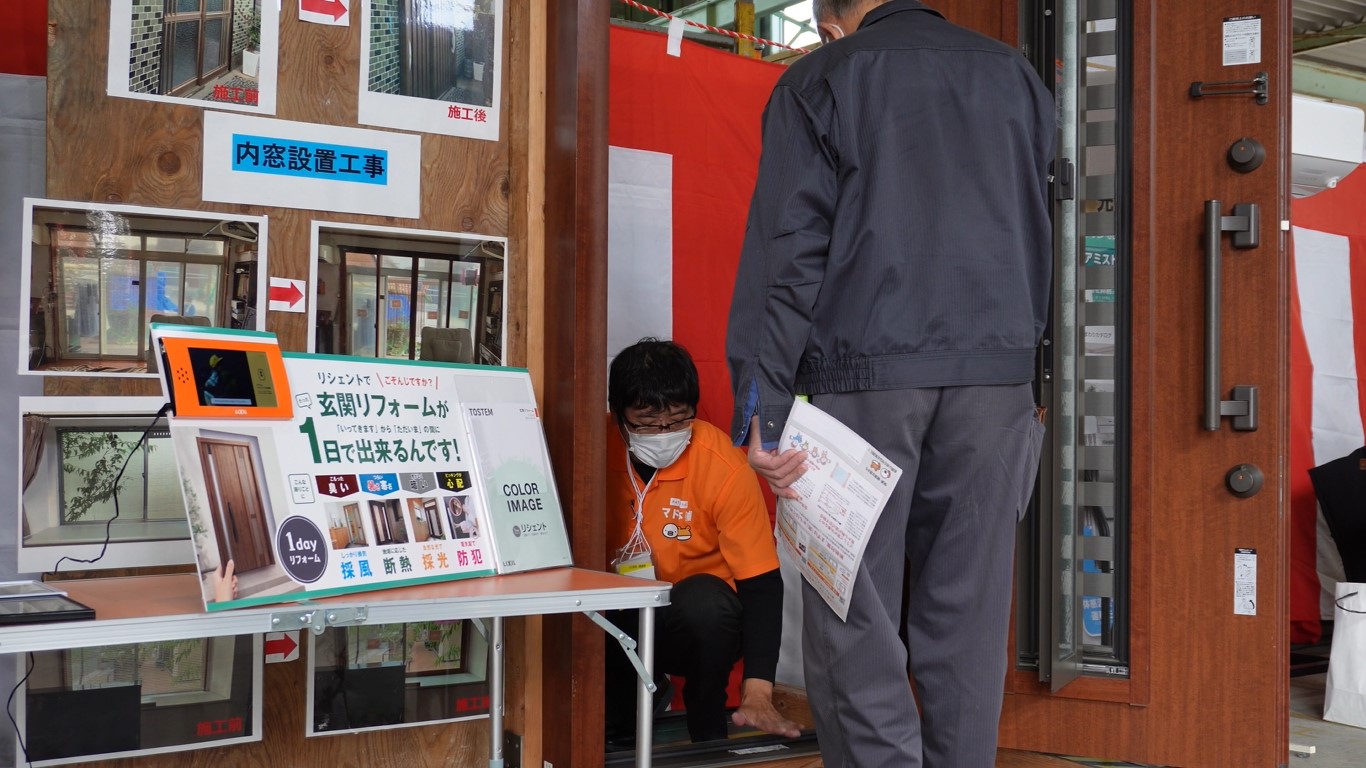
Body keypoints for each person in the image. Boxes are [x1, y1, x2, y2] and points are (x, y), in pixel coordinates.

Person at [726, 1, 1054, 766]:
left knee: (853, 614)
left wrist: (761, 413)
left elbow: (787, 256)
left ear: (828, 19)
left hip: (863, 383)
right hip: (996, 382)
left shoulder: (821, 78)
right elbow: (1051, 225)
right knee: (968, 620)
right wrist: (1033, 374)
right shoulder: (1017, 76)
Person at [604, 338, 801, 744]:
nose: (663, 433)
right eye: (646, 422)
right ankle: (624, 723)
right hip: (615, 616)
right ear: (617, 415)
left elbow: (761, 582)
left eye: (678, 420)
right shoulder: (590, 451)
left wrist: (758, 689)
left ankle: (708, 731)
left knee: (706, 603)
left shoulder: (725, 465)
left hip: (697, 626)